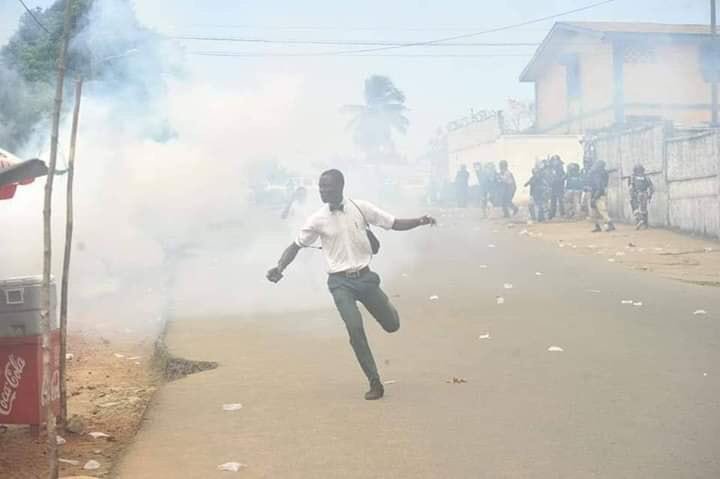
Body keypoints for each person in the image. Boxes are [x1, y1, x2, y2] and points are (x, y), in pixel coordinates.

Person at [266, 169, 437, 400]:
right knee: (355, 328)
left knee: (392, 325)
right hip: (340, 283)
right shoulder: (317, 219)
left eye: (328, 186)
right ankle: (374, 381)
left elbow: (393, 223)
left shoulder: (361, 208)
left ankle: (387, 310)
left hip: (366, 279)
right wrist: (279, 267)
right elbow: (296, 245)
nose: (323, 191)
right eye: (321, 187)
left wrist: (420, 220)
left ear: (341, 186)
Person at [589, 160, 615, 232]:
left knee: (602, 211)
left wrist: (594, 197)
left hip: (598, 194)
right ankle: (597, 226)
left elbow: (599, 187)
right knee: (594, 212)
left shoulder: (598, 174)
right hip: (596, 193)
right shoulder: (602, 172)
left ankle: (610, 225)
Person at [628, 164, 654, 230]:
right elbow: (651, 187)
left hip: (636, 193)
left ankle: (639, 220)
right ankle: (645, 224)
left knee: (635, 208)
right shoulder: (646, 177)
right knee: (644, 209)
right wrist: (650, 195)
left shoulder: (632, 177)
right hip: (644, 193)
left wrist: (631, 195)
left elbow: (631, 187)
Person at [547, 155, 566, 220]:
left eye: (556, 160)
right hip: (552, 187)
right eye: (554, 160)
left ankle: (562, 214)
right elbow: (548, 177)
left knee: (561, 201)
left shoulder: (560, 168)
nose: (555, 161)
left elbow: (564, 176)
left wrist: (560, 180)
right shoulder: (550, 168)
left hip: (559, 186)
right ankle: (552, 214)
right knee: (553, 201)